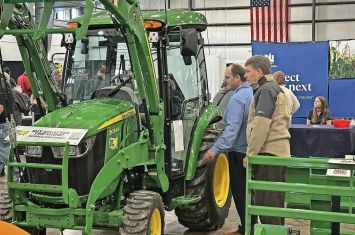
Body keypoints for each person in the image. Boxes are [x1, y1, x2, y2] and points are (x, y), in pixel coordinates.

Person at [204, 64, 255, 235]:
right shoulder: (251, 93)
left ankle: (246, 230)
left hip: (238, 151)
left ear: (237, 78)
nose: (225, 81)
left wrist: (215, 149)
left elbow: (232, 129)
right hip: (249, 149)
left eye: (227, 77)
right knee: (249, 192)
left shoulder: (237, 98)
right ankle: (251, 226)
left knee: (240, 193)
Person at [244, 55, 291, 226]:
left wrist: (250, 155)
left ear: (259, 72)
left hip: (269, 155)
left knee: (268, 206)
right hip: (275, 154)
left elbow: (261, 126)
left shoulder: (266, 90)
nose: (246, 76)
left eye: (248, 72)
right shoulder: (274, 89)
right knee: (273, 205)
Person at [0, 74, 18, 179]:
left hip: (3, 124)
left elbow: (0, 107)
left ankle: (16, 173)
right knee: (10, 149)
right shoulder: (6, 83)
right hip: (10, 122)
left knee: (7, 151)